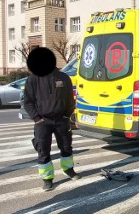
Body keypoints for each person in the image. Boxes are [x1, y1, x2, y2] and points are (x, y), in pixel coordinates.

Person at [23, 47, 81, 192]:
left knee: (66, 146)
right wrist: (37, 118)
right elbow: (28, 101)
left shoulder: (63, 77)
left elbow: (70, 99)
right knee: (43, 150)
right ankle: (47, 179)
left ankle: (68, 169)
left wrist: (67, 115)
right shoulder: (33, 79)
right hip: (42, 122)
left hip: (62, 120)